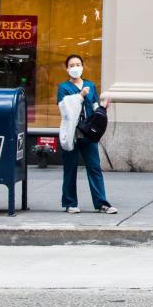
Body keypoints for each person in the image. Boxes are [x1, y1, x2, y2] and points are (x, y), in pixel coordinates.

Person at [57, 54, 117, 214]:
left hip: (88, 134)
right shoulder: (63, 88)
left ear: (83, 67)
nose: (75, 67)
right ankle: (70, 203)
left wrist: (103, 107)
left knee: (94, 167)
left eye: (78, 64)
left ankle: (102, 203)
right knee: (70, 168)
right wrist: (80, 96)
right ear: (67, 68)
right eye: (71, 65)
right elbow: (64, 108)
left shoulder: (90, 85)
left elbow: (95, 106)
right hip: (72, 134)